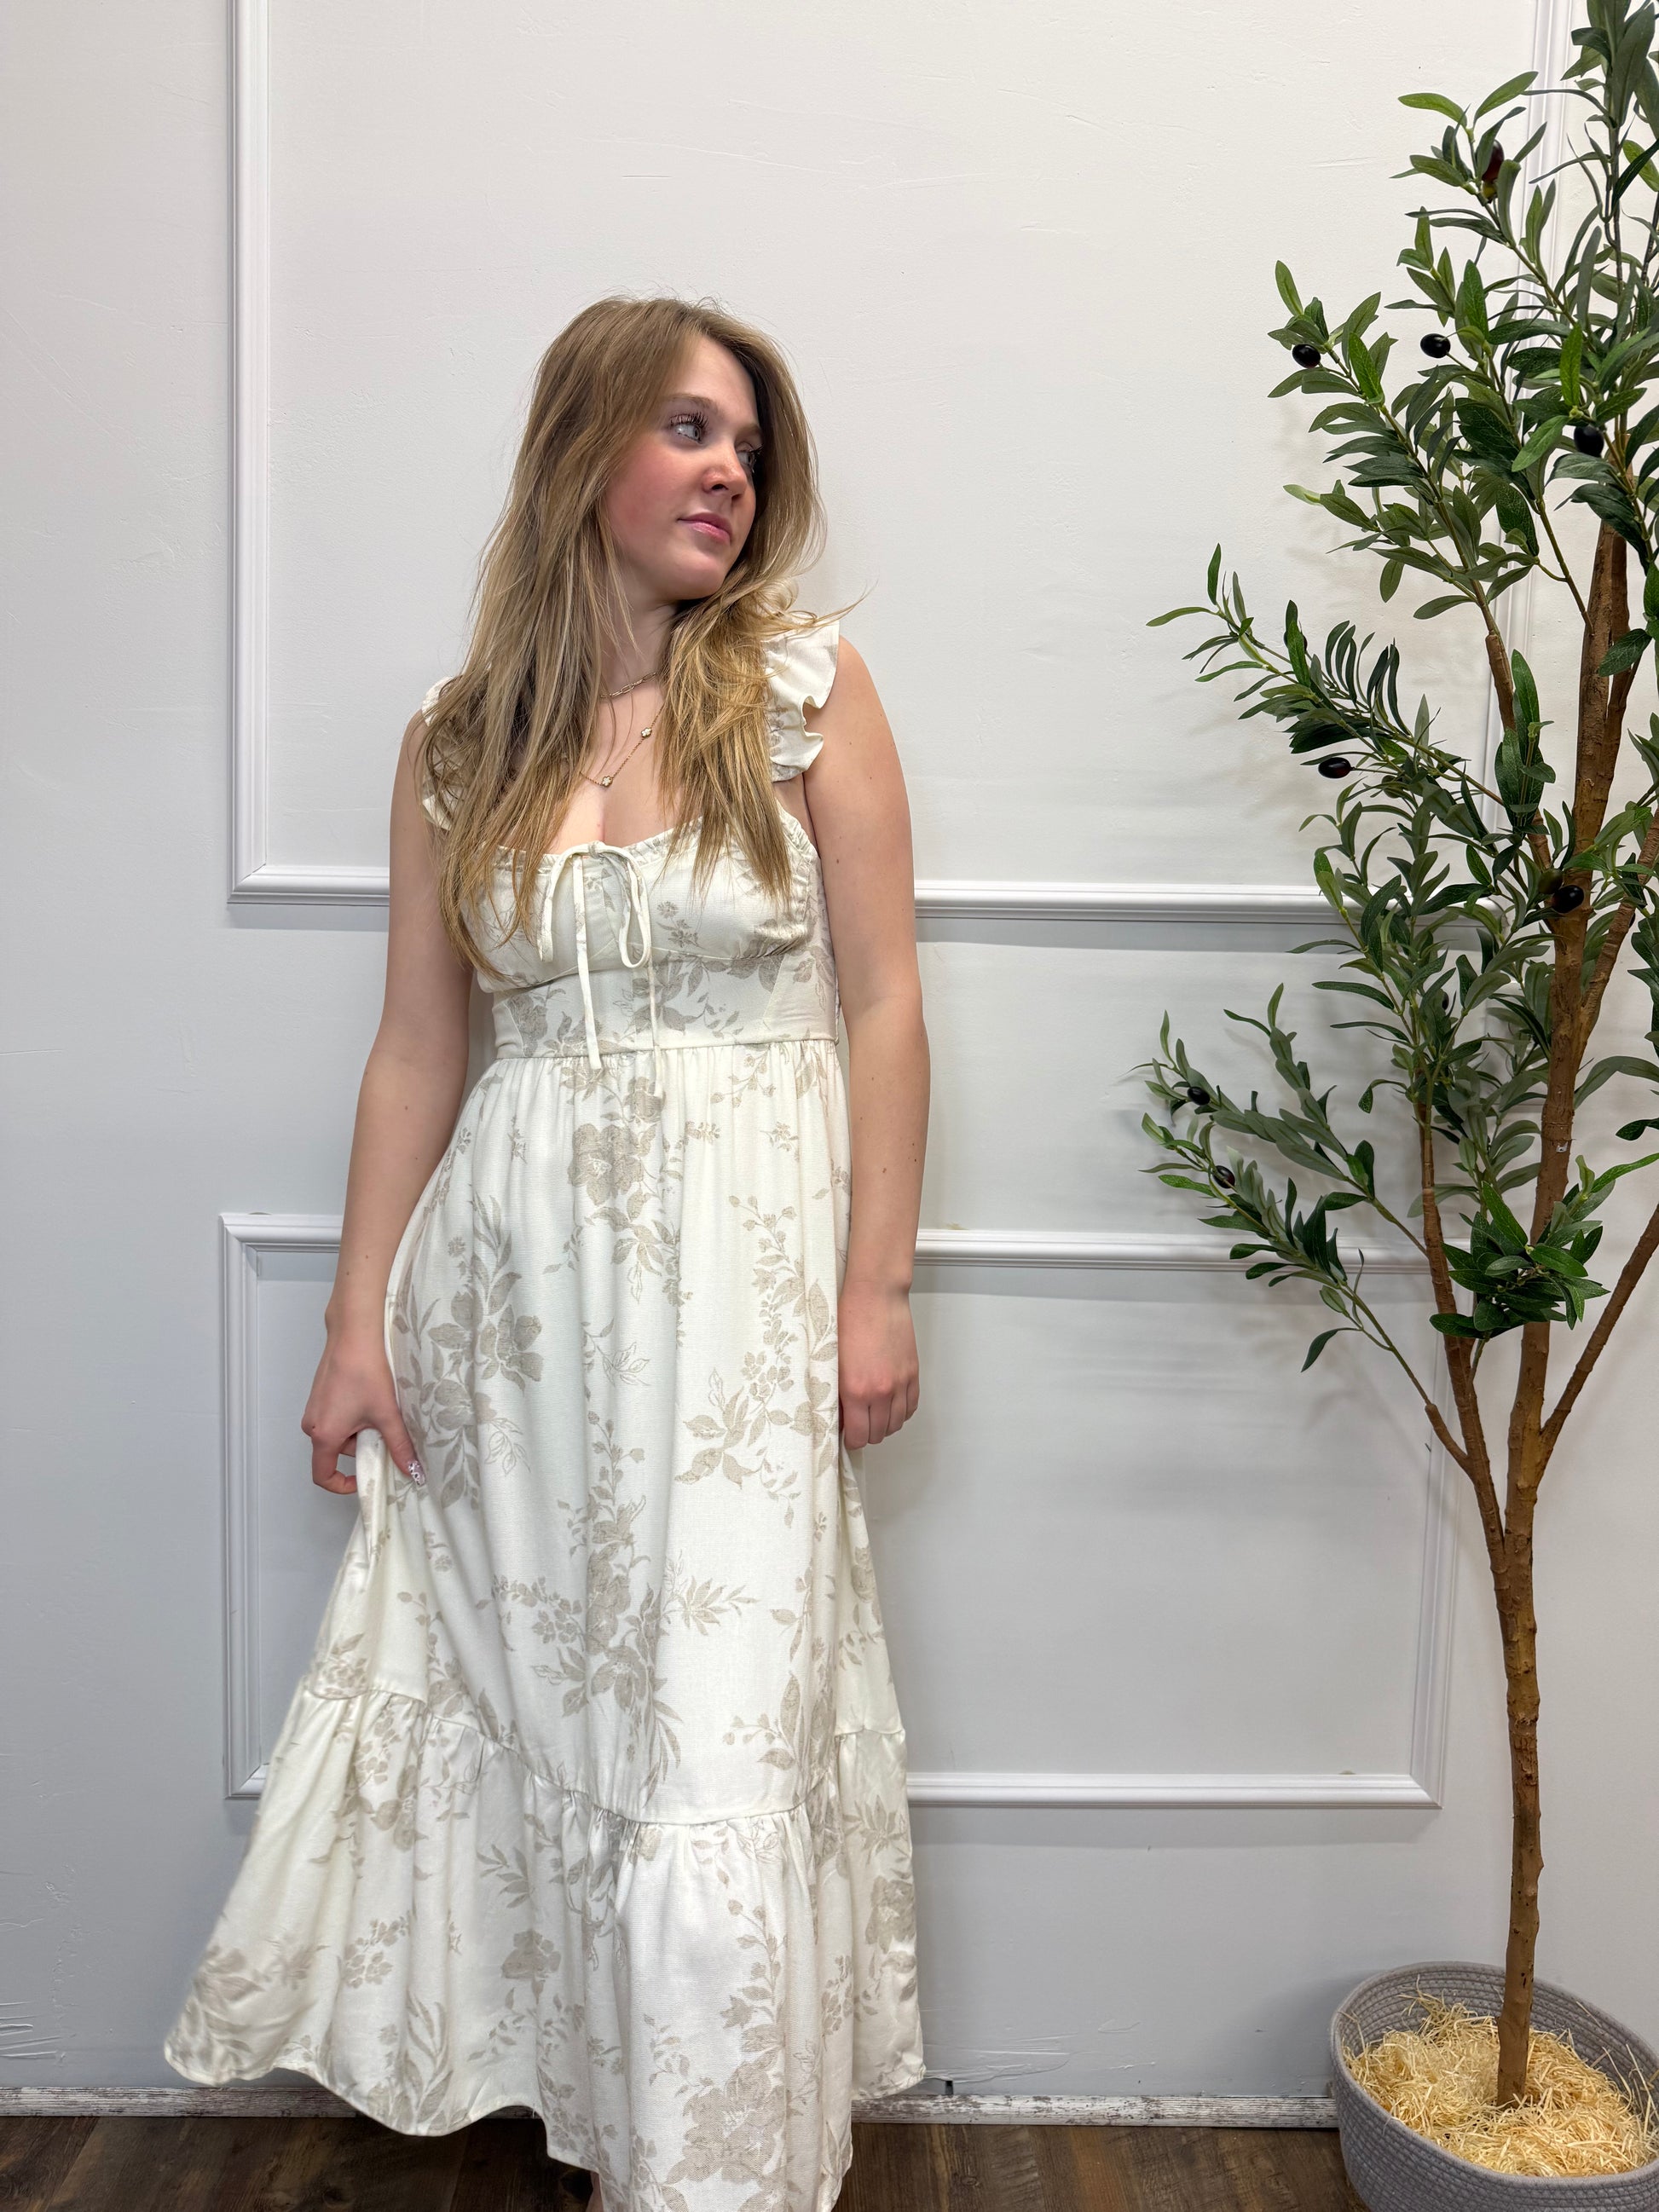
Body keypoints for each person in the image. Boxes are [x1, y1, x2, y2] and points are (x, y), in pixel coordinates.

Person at [164, 294, 930, 2212]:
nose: (728, 470)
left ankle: (708, 2168)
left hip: (739, 1301)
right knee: (556, 1720)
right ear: (582, 451)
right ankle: (606, 2115)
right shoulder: (456, 745)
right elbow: (419, 1049)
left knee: (710, 1726)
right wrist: (355, 1322)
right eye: (686, 428)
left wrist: (876, 1287)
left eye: (745, 440)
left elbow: (886, 1004)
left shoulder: (808, 687)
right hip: (509, 1315)